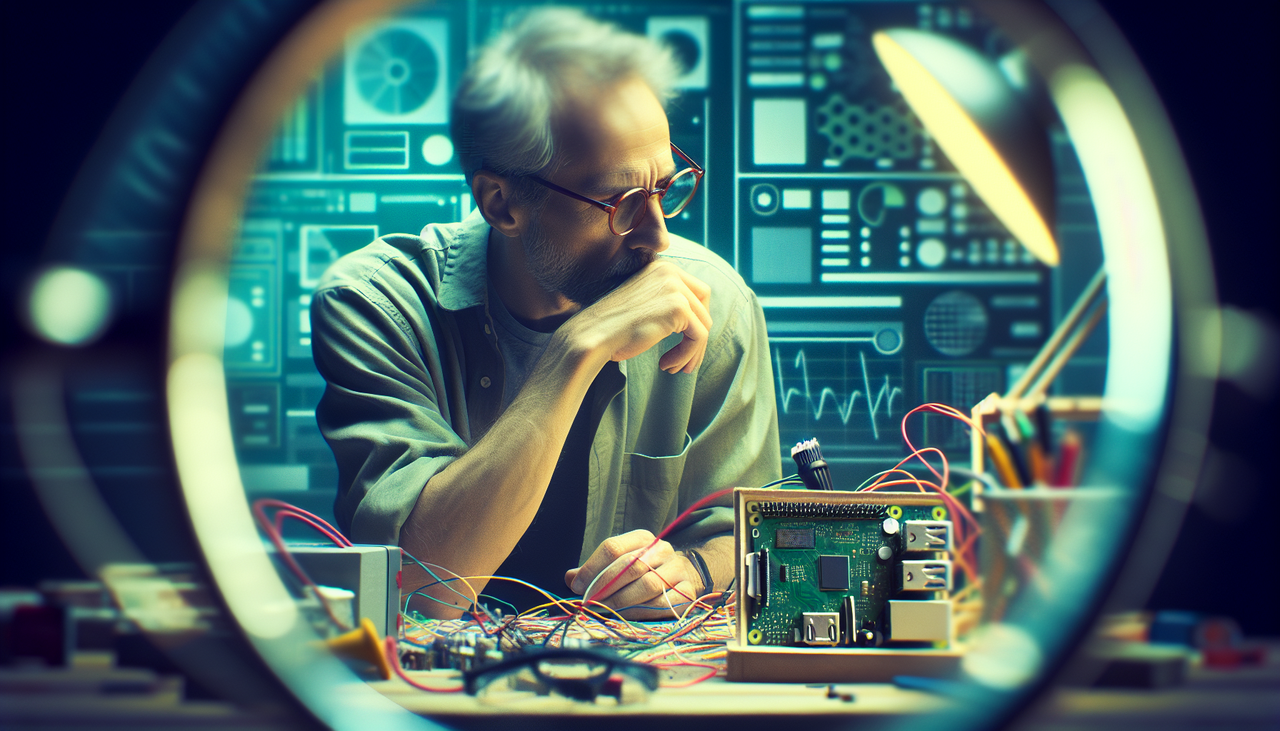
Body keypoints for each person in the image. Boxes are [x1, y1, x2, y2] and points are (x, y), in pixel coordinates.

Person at [310, 7, 780, 619]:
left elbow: (754, 534)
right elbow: (423, 589)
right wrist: (573, 353)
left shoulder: (714, 303)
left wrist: (691, 569)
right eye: (619, 202)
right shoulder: (375, 306)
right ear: (501, 203)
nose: (657, 239)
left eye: (666, 188)